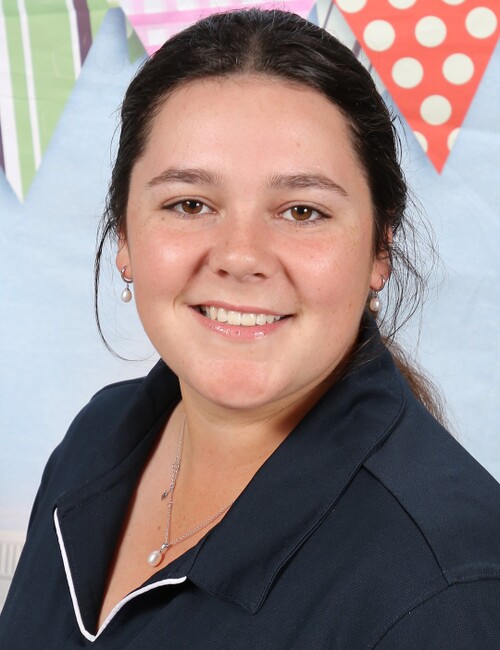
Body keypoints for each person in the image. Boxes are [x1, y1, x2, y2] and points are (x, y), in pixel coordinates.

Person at [1, 8, 500, 649]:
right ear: (123, 233)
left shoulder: (450, 593)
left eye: (302, 211)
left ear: (381, 245)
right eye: (189, 204)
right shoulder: (96, 439)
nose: (240, 256)